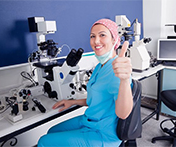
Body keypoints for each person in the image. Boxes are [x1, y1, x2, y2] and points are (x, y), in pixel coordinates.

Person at [37, 18, 133, 147]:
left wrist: (125, 80)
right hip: (89, 120)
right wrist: (72, 102)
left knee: (44, 142)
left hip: (102, 132)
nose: (96, 41)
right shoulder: (100, 66)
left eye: (102, 35)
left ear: (115, 39)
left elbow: (124, 114)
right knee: (51, 131)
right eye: (92, 36)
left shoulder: (117, 70)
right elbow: (95, 99)